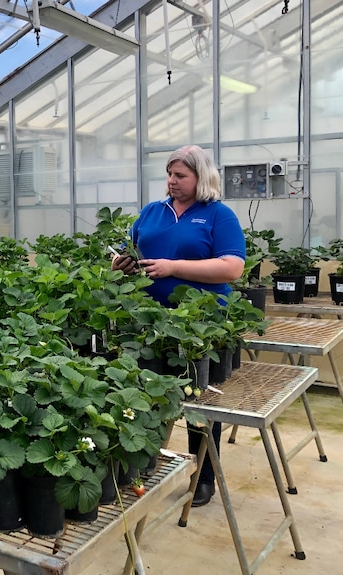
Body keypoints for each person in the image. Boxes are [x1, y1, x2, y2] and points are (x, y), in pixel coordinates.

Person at [112, 144, 245, 507]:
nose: (172, 181)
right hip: (149, 320)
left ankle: (203, 476)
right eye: (169, 174)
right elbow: (131, 250)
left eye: (180, 175)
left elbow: (233, 266)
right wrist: (121, 264)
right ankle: (149, 465)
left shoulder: (218, 215)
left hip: (197, 324)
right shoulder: (152, 212)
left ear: (201, 178)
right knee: (147, 395)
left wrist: (174, 268)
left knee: (198, 399)